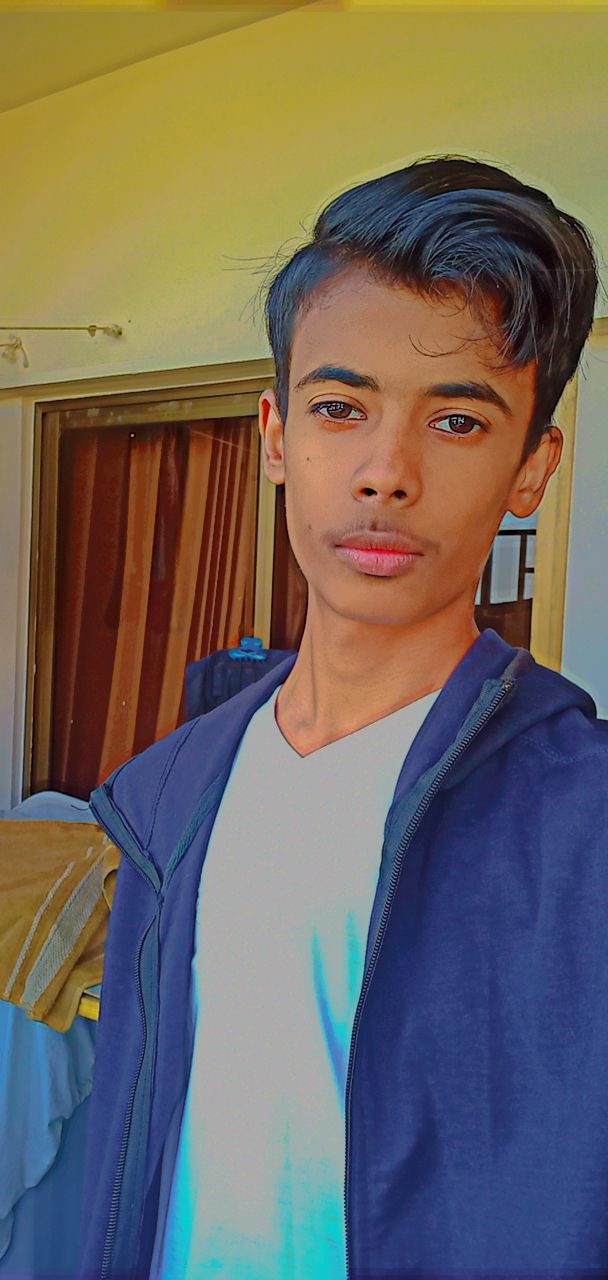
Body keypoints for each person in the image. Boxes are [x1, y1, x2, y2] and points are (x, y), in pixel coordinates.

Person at [78, 154, 608, 1279]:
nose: (383, 472)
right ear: (275, 435)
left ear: (533, 467)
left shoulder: (582, 823)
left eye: (456, 421)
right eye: (338, 408)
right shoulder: (168, 794)